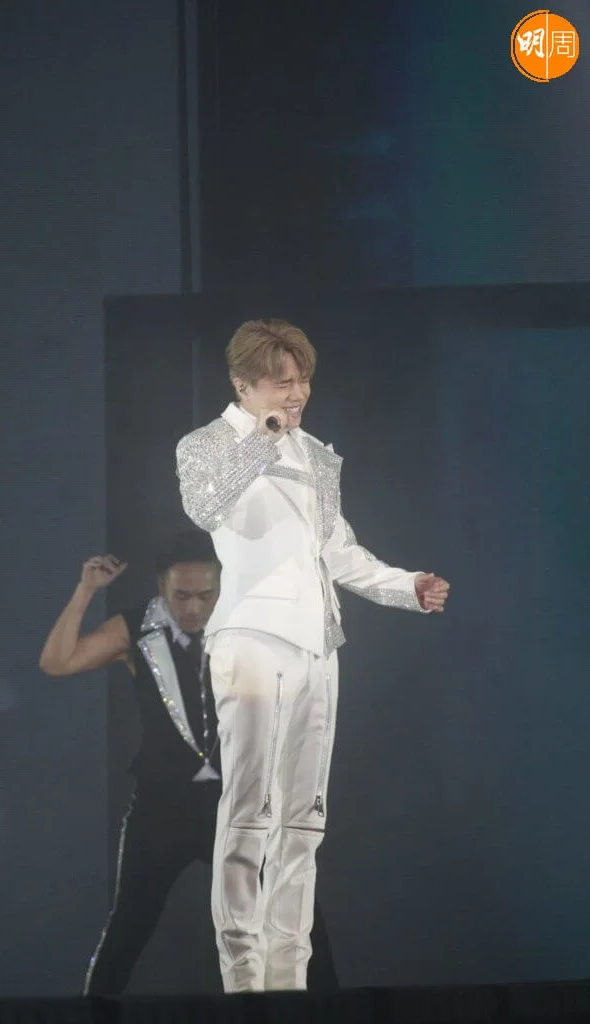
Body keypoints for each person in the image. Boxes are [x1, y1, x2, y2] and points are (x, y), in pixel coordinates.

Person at [175, 318, 450, 993]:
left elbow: (339, 551)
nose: (296, 394)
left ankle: (288, 979)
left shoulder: (315, 455)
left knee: (303, 821)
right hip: (250, 640)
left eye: (302, 381)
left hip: (318, 647)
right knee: (249, 811)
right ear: (243, 385)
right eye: (281, 382)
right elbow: (205, 507)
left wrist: (407, 586)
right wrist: (263, 438)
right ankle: (243, 979)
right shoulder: (208, 444)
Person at [38, 528, 339, 994]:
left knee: (294, 915)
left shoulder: (250, 622)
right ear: (162, 586)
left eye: (205, 595)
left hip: (239, 802)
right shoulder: (136, 627)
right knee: (129, 923)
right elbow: (57, 663)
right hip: (163, 806)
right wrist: (86, 590)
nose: (194, 608)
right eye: (181, 596)